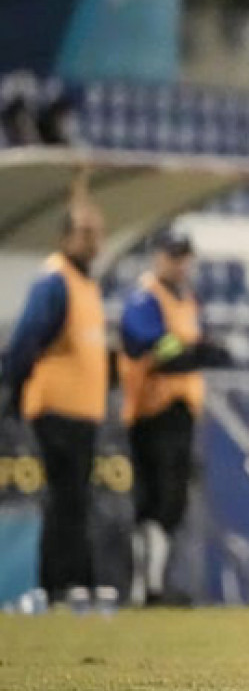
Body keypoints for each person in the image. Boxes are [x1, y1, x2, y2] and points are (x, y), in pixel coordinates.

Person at [0, 201, 112, 611]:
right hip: (55, 409)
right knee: (65, 497)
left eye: (97, 232)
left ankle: (74, 582)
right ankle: (57, 584)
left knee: (76, 498)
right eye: (85, 232)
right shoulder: (55, 281)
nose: (94, 241)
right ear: (65, 236)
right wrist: (14, 388)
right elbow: (27, 338)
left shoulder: (85, 284)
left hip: (82, 412)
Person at [119, 228, 233, 605]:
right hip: (152, 408)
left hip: (181, 409)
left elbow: (183, 344)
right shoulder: (144, 297)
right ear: (158, 256)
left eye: (184, 256)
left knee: (171, 501)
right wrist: (194, 351)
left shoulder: (186, 299)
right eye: (173, 255)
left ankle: (153, 582)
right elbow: (152, 345)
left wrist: (195, 349)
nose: (180, 263)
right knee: (156, 498)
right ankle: (146, 583)